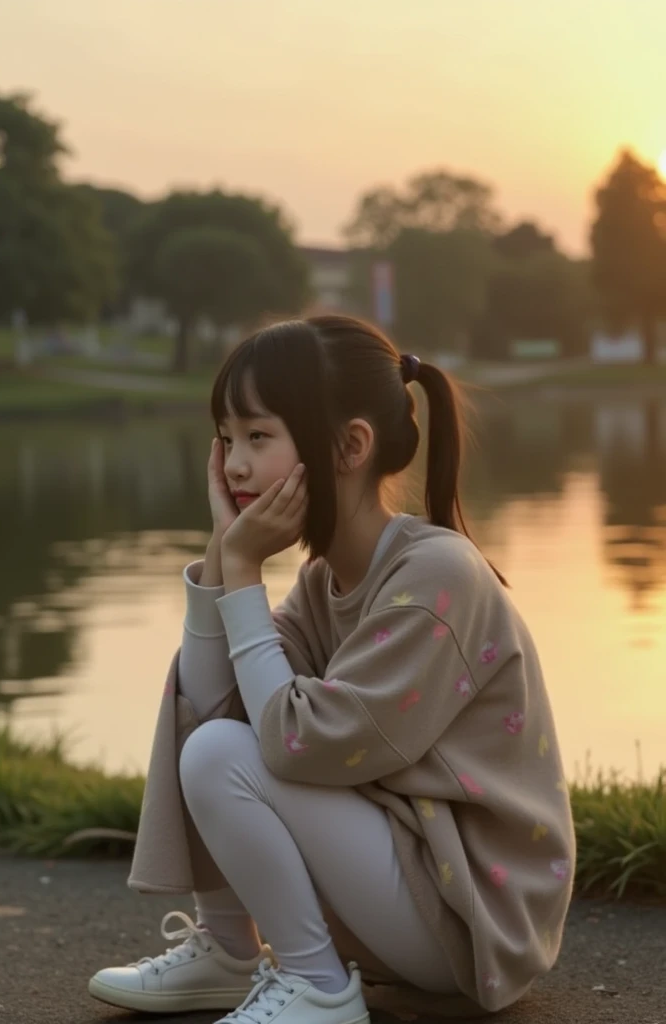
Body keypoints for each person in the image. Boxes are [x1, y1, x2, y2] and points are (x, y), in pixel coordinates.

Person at [88, 315, 575, 1023]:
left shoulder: (437, 578)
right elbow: (211, 697)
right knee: (216, 732)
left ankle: (319, 988)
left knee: (226, 753)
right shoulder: (325, 582)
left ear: (349, 446)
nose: (234, 465)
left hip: (469, 919)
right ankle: (230, 952)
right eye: (225, 440)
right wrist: (226, 557)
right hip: (409, 881)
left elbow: (292, 740)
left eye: (258, 437)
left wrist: (248, 573)